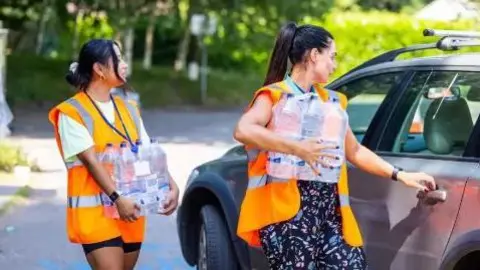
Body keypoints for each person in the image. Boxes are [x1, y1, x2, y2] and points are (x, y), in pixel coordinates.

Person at [233, 22, 436, 270]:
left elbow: (355, 151)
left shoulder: (331, 102)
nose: (335, 64)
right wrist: (298, 148)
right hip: (285, 214)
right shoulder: (274, 96)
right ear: (314, 55)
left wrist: (400, 174)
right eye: (332, 56)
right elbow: (243, 130)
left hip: (329, 213)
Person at [48, 39, 180, 270]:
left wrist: (172, 186)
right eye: (119, 59)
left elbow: (149, 153)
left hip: (131, 210)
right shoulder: (72, 112)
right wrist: (118, 199)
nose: (125, 65)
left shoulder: (129, 108)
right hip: (96, 214)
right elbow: (90, 161)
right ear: (99, 69)